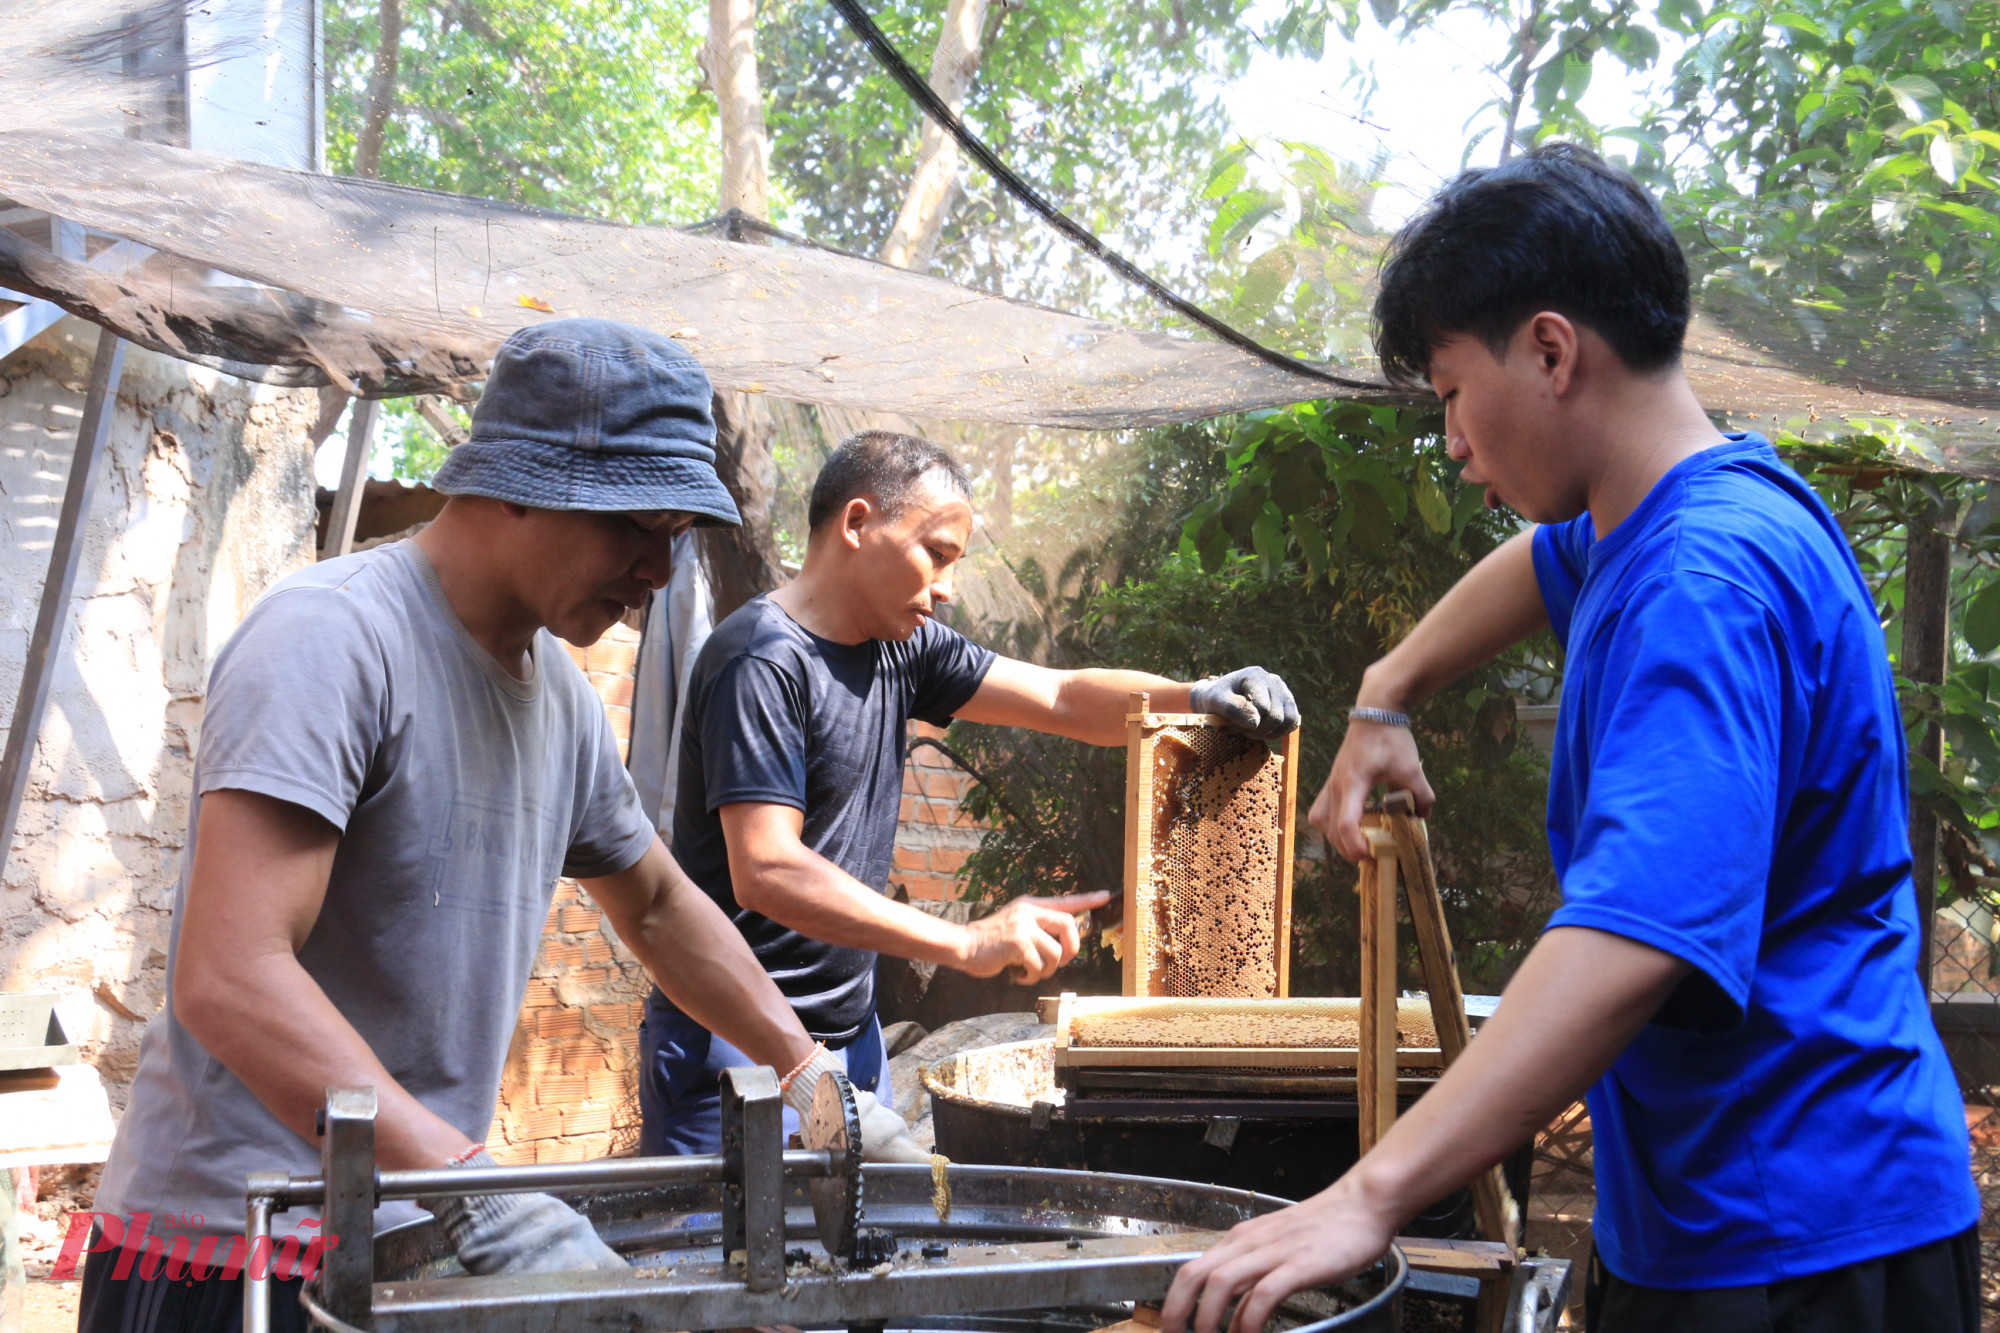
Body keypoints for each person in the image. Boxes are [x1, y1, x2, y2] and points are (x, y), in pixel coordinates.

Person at [1162, 145, 1979, 1333]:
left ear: (1549, 350)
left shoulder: (1700, 582)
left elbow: (1627, 938)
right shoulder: (1675, 513)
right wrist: (1386, 692)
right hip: (1734, 1208)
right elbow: (1542, 565)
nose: (1447, 437)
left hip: (1797, 1240)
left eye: (1447, 392)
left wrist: (1367, 1193)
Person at [80, 320, 879, 1333]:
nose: (657, 573)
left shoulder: (560, 703)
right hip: (234, 1250)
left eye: (674, 539)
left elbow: (665, 907)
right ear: (519, 480)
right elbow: (229, 977)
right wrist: (471, 1182)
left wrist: (810, 1075)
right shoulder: (333, 638)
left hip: (405, 1233)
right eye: (637, 527)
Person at [639, 431, 1301, 1157]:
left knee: (864, 1258)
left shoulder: (905, 647)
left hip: (851, 1041)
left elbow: (1059, 696)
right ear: (857, 524)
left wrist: (1196, 696)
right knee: (732, 1260)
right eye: (936, 553)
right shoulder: (761, 660)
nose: (948, 586)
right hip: (735, 1048)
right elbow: (766, 869)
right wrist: (968, 940)